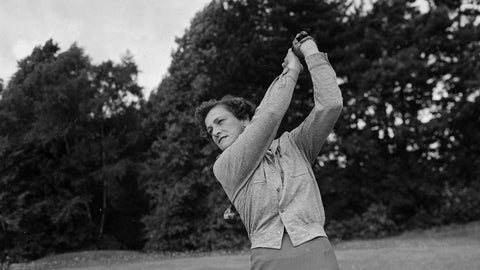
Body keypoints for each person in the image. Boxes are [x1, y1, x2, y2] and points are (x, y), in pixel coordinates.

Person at [195, 31, 343, 270]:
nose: (215, 132)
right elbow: (270, 115)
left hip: (317, 252)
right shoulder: (224, 166)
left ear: (244, 120)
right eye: (210, 130)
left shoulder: (295, 145)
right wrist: (291, 69)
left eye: (220, 122)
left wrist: (310, 50)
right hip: (268, 259)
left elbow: (331, 105)